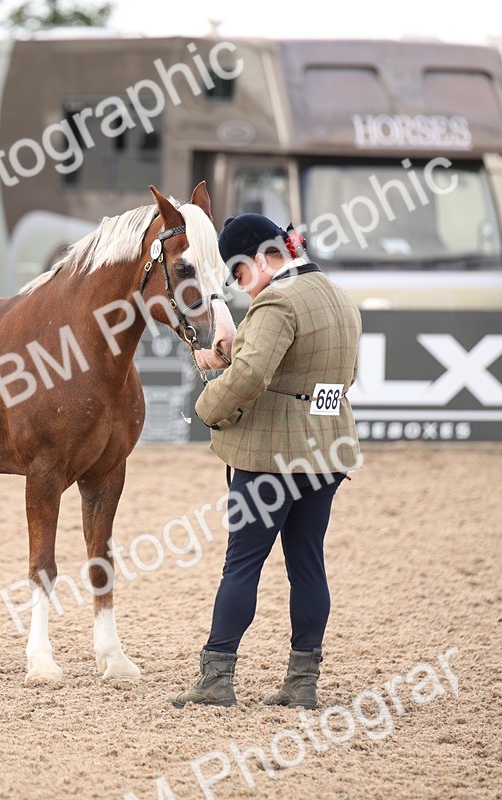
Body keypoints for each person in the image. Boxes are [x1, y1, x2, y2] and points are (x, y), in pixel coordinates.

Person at [170, 213, 362, 710]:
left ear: (259, 259)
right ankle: (302, 682)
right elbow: (341, 374)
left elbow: (253, 377)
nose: (240, 288)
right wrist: (239, 351)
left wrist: (209, 408)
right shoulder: (338, 296)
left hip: (271, 460)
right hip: (327, 453)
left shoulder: (277, 299)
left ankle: (216, 679)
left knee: (243, 565)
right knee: (308, 564)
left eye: (237, 276)